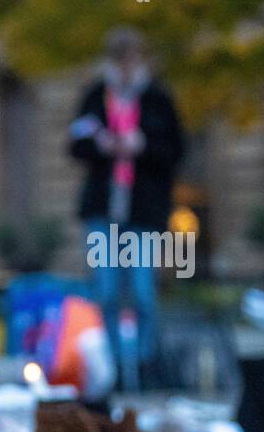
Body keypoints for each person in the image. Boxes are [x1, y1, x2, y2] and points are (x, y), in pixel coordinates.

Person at [69, 27, 184, 390]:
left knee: (142, 291)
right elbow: (75, 143)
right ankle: (113, 368)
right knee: (105, 291)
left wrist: (143, 145)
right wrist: (100, 145)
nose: (124, 66)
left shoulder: (157, 99)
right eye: (119, 59)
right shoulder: (95, 96)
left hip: (142, 211)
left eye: (130, 58)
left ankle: (145, 364)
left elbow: (176, 149)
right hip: (103, 210)